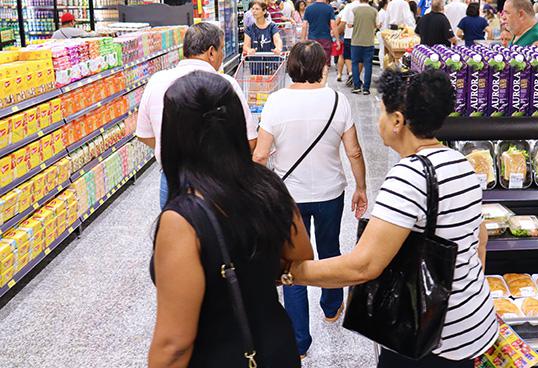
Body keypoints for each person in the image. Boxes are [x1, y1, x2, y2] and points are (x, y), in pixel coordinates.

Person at [286, 69, 497, 367]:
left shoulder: (410, 176)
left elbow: (364, 266)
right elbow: (481, 240)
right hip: (474, 325)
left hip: (429, 340)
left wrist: (291, 273)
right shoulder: (460, 163)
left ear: (398, 121)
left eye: (382, 111)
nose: (378, 119)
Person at [148, 70, 313, 368]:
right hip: (276, 348)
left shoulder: (183, 219)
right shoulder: (267, 185)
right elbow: (301, 256)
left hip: (221, 355)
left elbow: (174, 345)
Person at [253, 41, 368, 358]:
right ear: (323, 67)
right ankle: (332, 307)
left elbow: (261, 154)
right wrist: (361, 187)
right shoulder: (337, 101)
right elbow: (354, 151)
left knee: (293, 262)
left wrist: (251, 192)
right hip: (331, 191)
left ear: (291, 67)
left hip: (289, 197)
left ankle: (299, 342)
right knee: (330, 249)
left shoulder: (276, 102)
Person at [136, 22, 258, 209]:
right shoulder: (225, 84)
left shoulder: (157, 81)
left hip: (172, 180)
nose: (222, 55)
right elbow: (249, 141)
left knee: (175, 233)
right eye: (222, 49)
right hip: (218, 181)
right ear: (211, 52)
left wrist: (170, 147)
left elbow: (144, 134)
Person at [350, 0, 378, 95]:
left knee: (355, 63)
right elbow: (377, 24)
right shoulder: (374, 11)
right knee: (368, 65)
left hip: (356, 41)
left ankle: (356, 86)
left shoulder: (354, 10)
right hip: (369, 41)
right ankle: (366, 88)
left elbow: (349, 24)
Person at [338, 0, 364, 86]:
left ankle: (351, 73)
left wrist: (336, 32)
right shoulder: (364, 6)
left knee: (348, 56)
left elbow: (343, 22)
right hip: (361, 35)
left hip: (349, 35)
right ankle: (356, 76)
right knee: (360, 57)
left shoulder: (348, 6)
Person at [302, 0, 336, 64]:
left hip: (312, 38)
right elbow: (333, 25)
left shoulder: (308, 8)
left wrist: (302, 40)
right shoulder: (329, 8)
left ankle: (314, 75)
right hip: (326, 38)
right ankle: (324, 75)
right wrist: (338, 39)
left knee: (313, 61)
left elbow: (304, 26)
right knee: (325, 62)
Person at [376, 0, 389, 67]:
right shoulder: (381, 13)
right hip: (382, 32)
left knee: (384, 49)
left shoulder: (385, 12)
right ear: (385, 4)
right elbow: (379, 24)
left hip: (385, 32)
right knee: (382, 48)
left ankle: (384, 64)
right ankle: (381, 64)